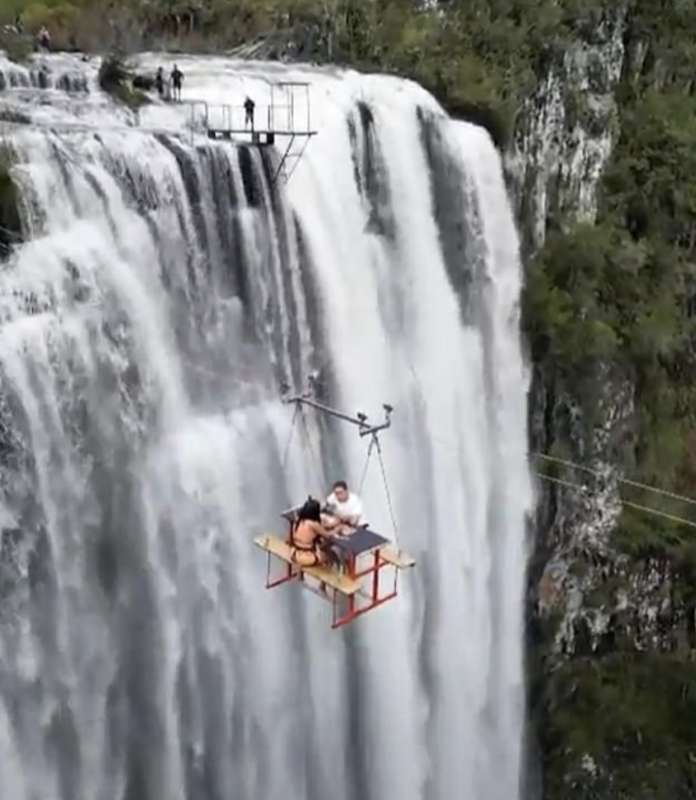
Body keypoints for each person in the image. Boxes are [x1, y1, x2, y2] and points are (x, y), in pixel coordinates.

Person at [290, 497, 332, 567]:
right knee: (328, 556)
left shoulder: (298, 520)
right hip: (306, 558)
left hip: (294, 553)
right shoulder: (313, 524)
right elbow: (328, 536)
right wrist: (337, 529)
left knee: (318, 544)